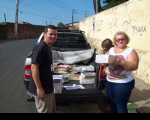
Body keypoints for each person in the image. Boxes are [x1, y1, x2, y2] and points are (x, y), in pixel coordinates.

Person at [102, 31, 139, 113]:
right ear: (115, 41)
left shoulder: (130, 51)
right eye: (118, 40)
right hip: (109, 81)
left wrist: (121, 62)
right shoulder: (111, 49)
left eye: (122, 39)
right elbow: (105, 62)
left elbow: (134, 66)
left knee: (121, 106)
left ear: (126, 40)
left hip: (123, 83)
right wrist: (103, 62)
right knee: (112, 104)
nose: (120, 41)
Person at [28, 25, 57, 113]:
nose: (53, 36)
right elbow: (34, 67)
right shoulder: (40, 47)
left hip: (48, 88)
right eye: (51, 34)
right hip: (42, 89)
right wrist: (39, 88)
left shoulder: (47, 47)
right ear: (44, 34)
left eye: (55, 34)